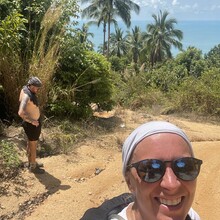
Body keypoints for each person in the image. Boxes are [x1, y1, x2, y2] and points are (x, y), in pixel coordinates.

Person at [111, 121, 202, 220]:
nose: (171, 185)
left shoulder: (191, 216)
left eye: (185, 167)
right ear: (129, 182)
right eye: (151, 170)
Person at [18, 76, 45, 174]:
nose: (37, 90)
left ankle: (30, 162)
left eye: (38, 88)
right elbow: (20, 112)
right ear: (30, 85)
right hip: (32, 124)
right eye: (35, 87)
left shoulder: (25, 89)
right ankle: (33, 166)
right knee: (33, 144)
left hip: (31, 123)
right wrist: (32, 121)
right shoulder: (26, 96)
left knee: (30, 142)